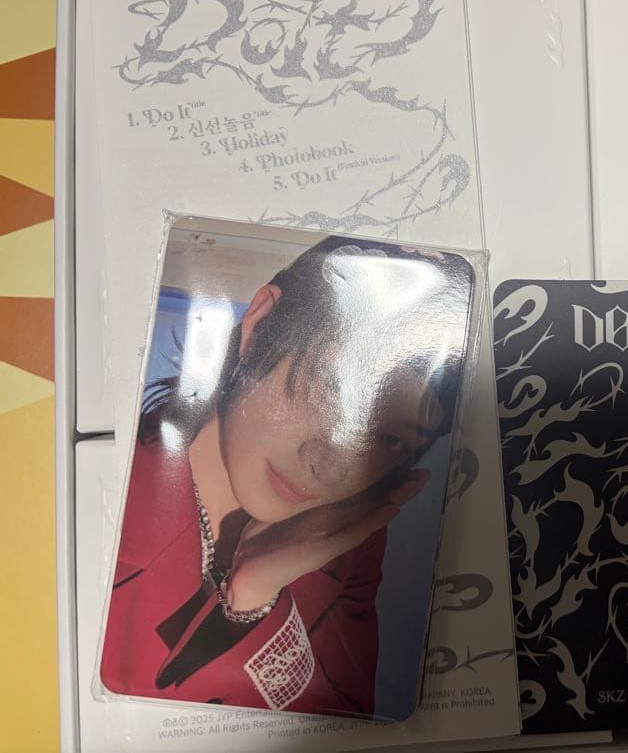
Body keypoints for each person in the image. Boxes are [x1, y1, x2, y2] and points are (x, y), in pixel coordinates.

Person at [99, 235, 471, 715]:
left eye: (390, 439)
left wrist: (254, 595)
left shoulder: (343, 545)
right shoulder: (99, 491)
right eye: (331, 387)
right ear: (258, 327)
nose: (330, 466)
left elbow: (341, 727)